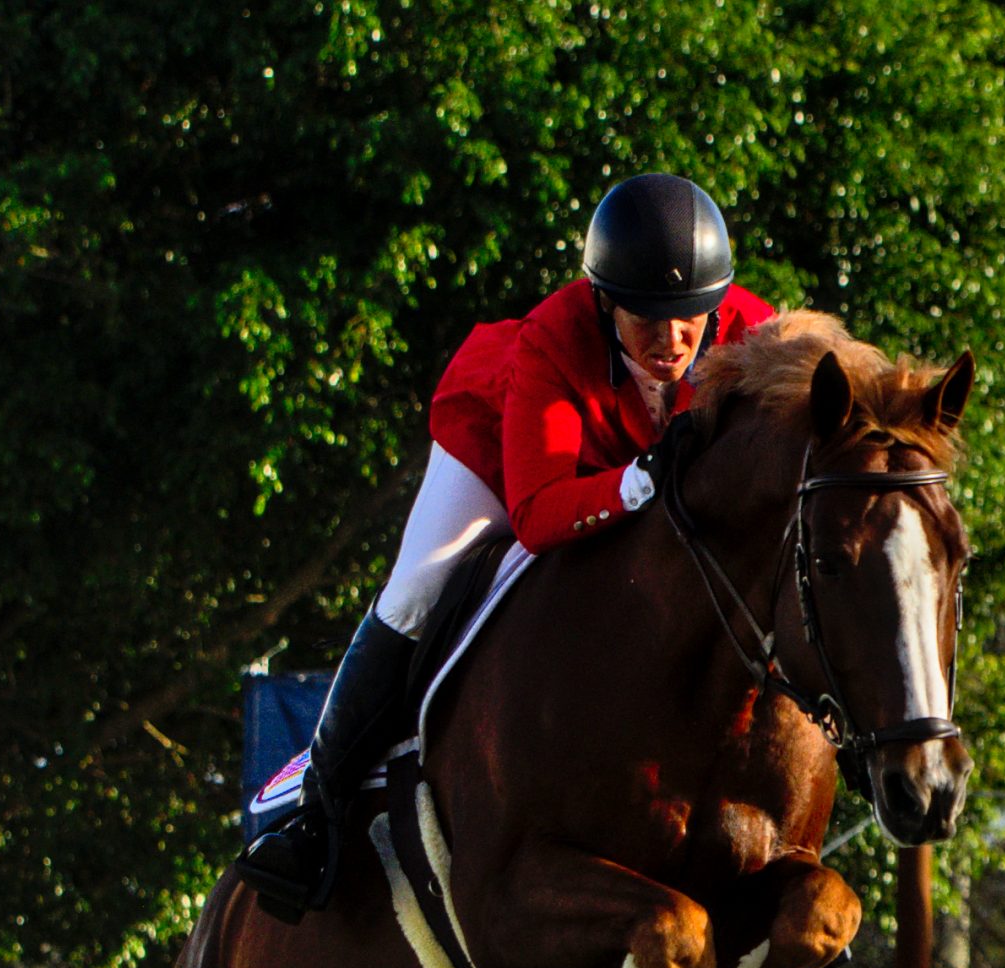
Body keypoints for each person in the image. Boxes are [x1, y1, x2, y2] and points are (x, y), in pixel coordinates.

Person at [238, 174, 778, 914]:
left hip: (637, 471)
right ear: (603, 300)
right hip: (507, 457)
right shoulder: (554, 339)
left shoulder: (756, 332)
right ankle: (313, 810)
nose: (672, 340)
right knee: (418, 589)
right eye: (646, 318)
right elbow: (537, 511)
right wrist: (637, 484)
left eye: (690, 317)